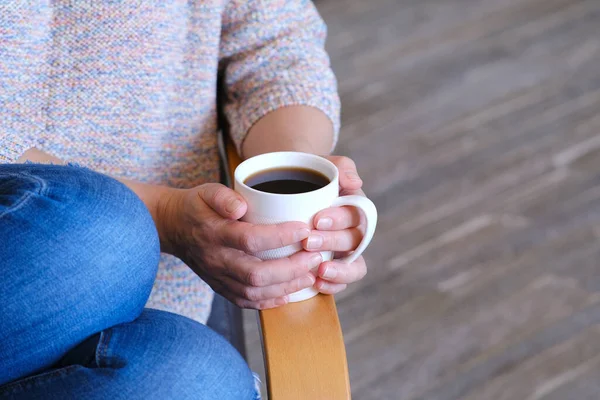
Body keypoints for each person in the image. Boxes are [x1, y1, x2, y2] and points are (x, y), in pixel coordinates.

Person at [0, 1, 370, 398]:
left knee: (204, 384)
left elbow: (277, 47)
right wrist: (164, 216)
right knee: (101, 241)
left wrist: (294, 187)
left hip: (154, 312)